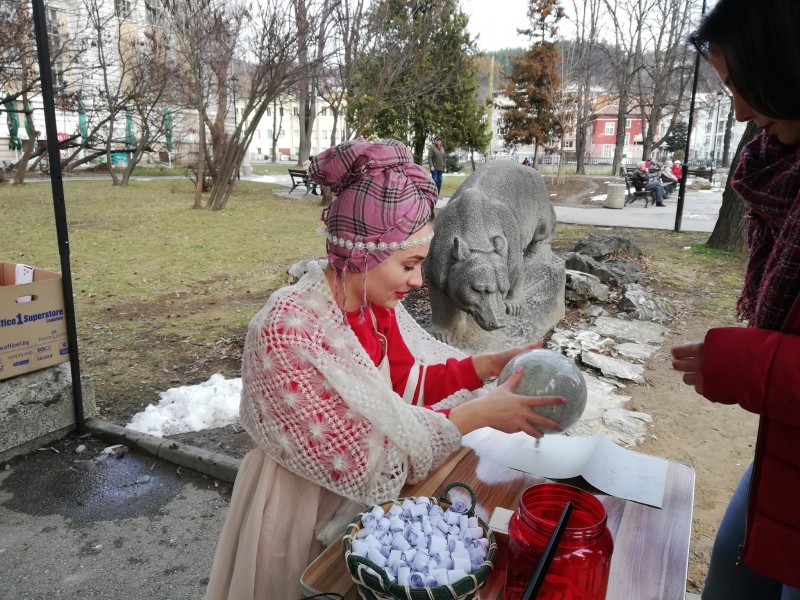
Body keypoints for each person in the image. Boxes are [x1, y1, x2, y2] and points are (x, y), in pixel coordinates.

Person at [204, 138, 564, 599]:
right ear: (364, 253)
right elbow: (374, 457)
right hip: (295, 502)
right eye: (410, 265)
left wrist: (482, 366)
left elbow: (403, 387)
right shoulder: (289, 331)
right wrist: (477, 414)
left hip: (362, 504)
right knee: (303, 584)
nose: (417, 281)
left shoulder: (375, 308)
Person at [671, 1, 800, 598]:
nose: (742, 111)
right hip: (782, 457)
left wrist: (754, 365)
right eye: (729, 89)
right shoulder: (779, 169)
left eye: (746, 85)